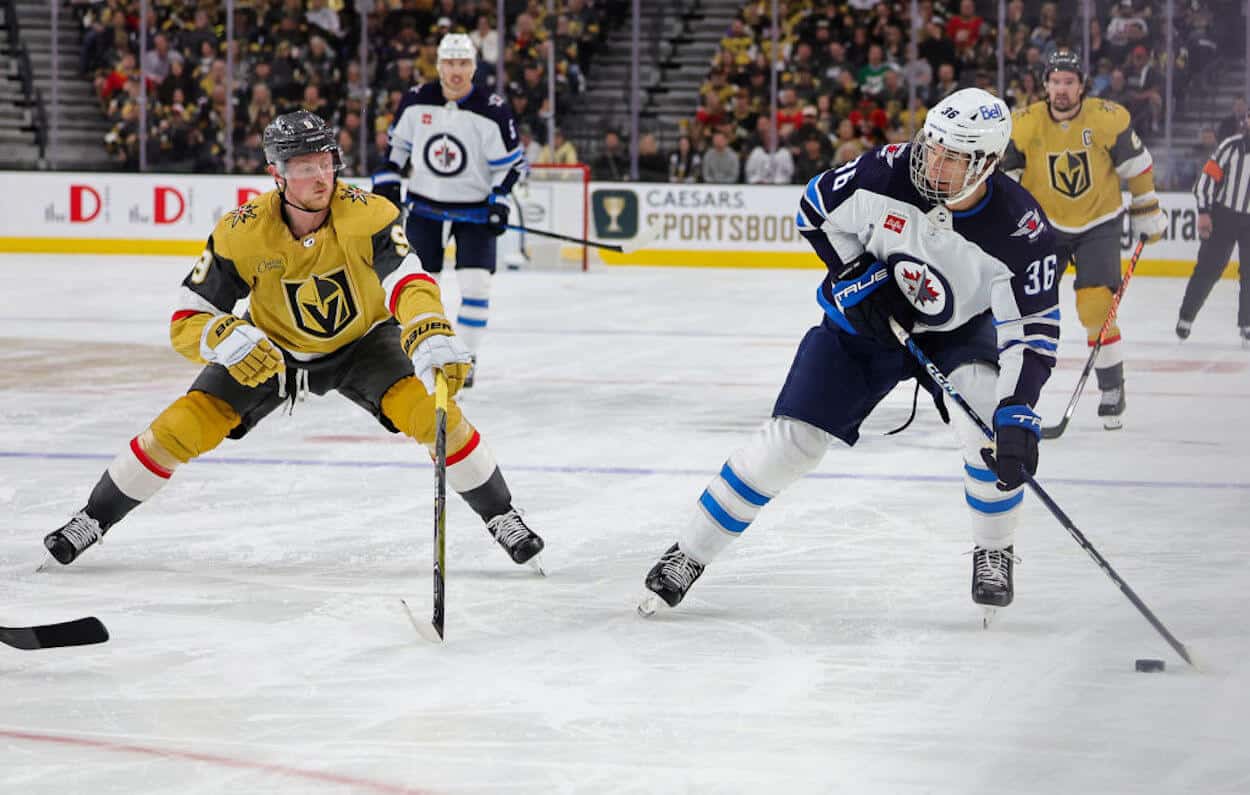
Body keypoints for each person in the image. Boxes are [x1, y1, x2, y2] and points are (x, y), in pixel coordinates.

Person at [42, 111, 545, 573]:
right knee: (179, 426)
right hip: (271, 351)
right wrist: (224, 334)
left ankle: (502, 515)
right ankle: (93, 518)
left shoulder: (370, 215)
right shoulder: (240, 233)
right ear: (276, 174)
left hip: (365, 344)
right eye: (305, 167)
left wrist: (427, 326)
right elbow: (186, 320)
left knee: (437, 417)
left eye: (326, 163)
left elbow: (407, 280)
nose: (321, 177)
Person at [639, 88, 1059, 624]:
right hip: (866, 324)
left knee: (988, 432)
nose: (935, 163)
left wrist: (1019, 408)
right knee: (792, 442)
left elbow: (1034, 329)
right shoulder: (885, 171)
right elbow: (815, 208)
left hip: (957, 330)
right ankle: (689, 552)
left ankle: (994, 547)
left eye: (955, 157)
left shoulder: (1020, 228)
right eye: (933, 146)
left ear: (990, 164)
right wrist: (855, 270)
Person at [1001, 49, 1166, 431]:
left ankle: (1112, 388)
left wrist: (1146, 208)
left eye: (1069, 82)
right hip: (1044, 228)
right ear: (1045, 85)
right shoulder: (1024, 124)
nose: (1061, 89)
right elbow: (1006, 178)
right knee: (1028, 308)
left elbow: (1138, 166)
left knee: (1095, 307)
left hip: (1099, 222)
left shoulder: (1107, 118)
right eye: (1055, 82)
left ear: (1082, 86)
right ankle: (1016, 392)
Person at [371, 33, 526, 389]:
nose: (456, 71)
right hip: (425, 208)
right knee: (421, 286)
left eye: (463, 63)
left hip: (475, 210)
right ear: (439, 65)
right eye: (450, 63)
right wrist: (388, 183)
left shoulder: (493, 108)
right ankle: (419, 351)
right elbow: (396, 151)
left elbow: (512, 166)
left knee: (477, 284)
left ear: (474, 66)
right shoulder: (415, 101)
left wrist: (500, 199)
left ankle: (467, 359)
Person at [1177, 106, 1250, 344]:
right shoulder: (1231, 147)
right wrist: (1204, 212)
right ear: (1246, 121)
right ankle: (1186, 317)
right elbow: (1206, 180)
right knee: (1209, 267)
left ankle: (1247, 324)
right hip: (1224, 215)